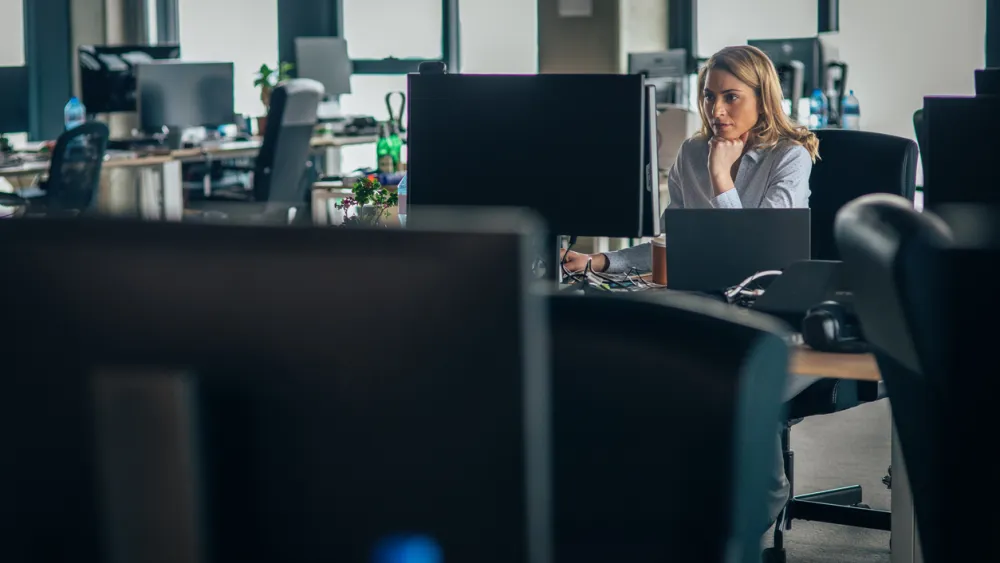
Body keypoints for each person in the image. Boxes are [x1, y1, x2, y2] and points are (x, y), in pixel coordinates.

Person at [562, 45, 820, 274]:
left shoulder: (790, 157)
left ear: (763, 101)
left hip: (759, 299)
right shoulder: (692, 151)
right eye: (709, 97)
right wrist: (599, 260)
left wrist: (720, 177)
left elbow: (754, 257)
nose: (716, 111)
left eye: (731, 97)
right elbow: (671, 245)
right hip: (702, 291)